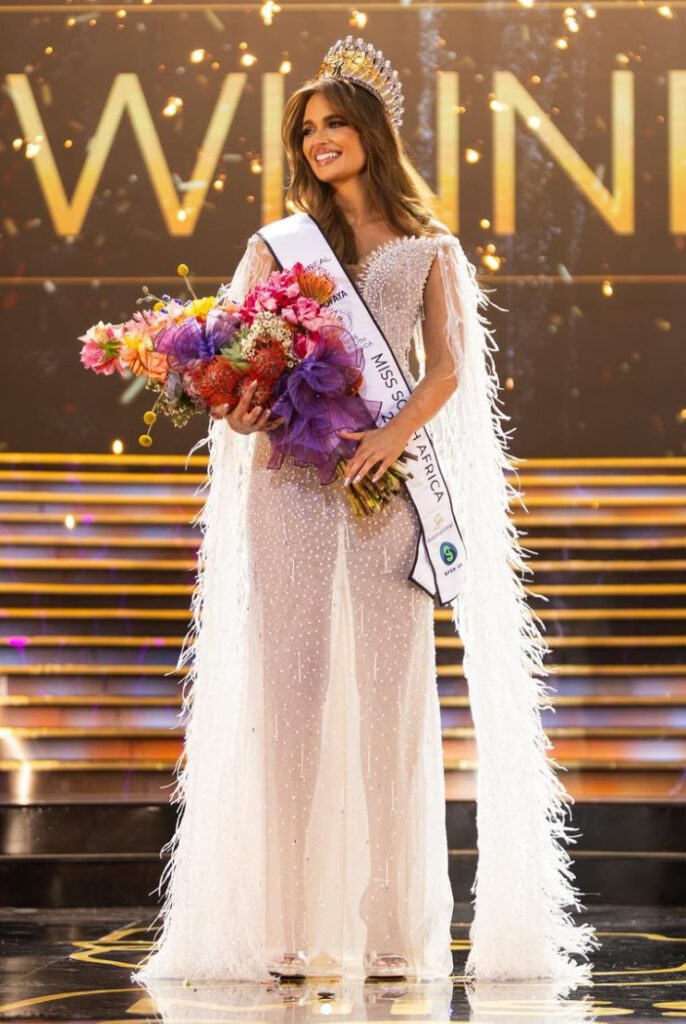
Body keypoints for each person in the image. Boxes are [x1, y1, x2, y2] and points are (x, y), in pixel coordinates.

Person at [131, 36, 598, 987]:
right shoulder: (277, 245)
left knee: (393, 699)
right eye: (307, 129)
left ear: (372, 132)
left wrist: (391, 439)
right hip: (293, 486)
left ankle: (392, 930)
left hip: (389, 489)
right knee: (291, 693)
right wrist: (243, 402)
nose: (319, 140)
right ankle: (285, 927)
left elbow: (451, 370)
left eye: (335, 122)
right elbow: (233, 365)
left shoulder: (430, 249)